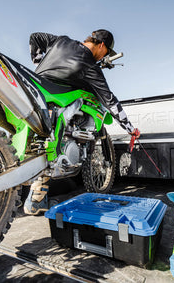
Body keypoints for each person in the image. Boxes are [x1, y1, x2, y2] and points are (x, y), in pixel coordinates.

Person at [24, 29, 140, 215]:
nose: (104, 57)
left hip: (36, 90)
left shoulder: (62, 41)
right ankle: (39, 191)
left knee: (46, 140)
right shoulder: (89, 64)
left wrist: (39, 64)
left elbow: (35, 37)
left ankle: (38, 196)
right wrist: (130, 129)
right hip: (52, 98)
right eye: (107, 53)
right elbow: (109, 100)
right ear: (102, 45)